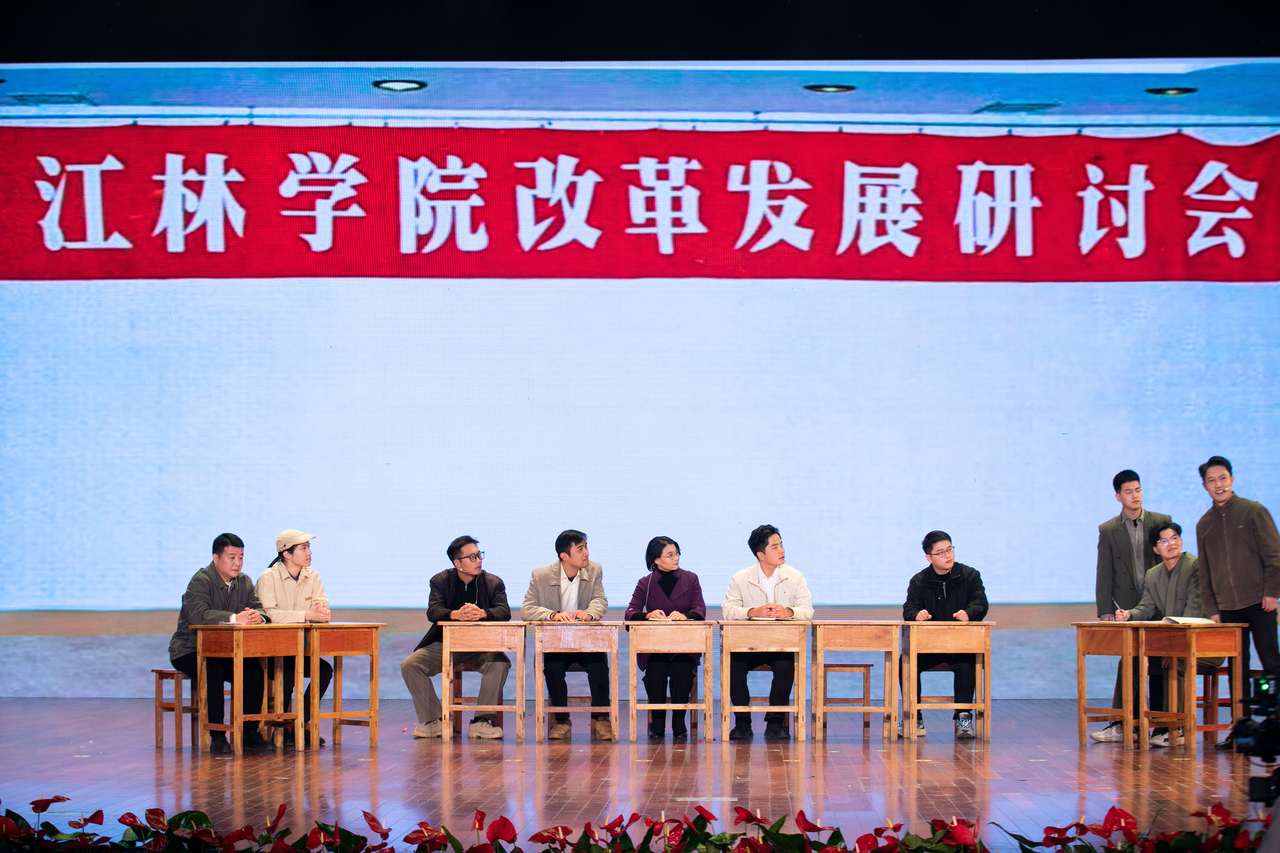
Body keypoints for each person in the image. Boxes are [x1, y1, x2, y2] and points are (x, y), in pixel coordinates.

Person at [1196, 456, 1280, 750]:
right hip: (1228, 609)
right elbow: (1205, 572)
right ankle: (1241, 731)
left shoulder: (1254, 511)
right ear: (1204, 486)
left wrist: (1272, 592)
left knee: (1271, 664)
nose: (1218, 484)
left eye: (1222, 478)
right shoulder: (1204, 524)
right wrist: (1213, 610)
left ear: (1232, 479)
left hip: (1260, 603)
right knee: (1237, 671)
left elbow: (1274, 556)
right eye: (1211, 480)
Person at [1115, 521, 1221, 747]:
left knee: (1176, 661)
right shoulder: (1154, 574)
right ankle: (1125, 725)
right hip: (1172, 645)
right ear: (1156, 549)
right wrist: (1129, 615)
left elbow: (1193, 611)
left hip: (1203, 643)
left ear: (1181, 540)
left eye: (1174, 538)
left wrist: (1173, 647)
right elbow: (1146, 608)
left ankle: (1174, 728)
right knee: (1130, 660)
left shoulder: (1196, 566)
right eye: (1164, 541)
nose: (1171, 544)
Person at [168, 533, 275, 755]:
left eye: (241, 557)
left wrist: (259, 617)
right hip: (189, 649)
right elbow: (199, 615)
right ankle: (217, 735)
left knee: (254, 670)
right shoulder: (201, 580)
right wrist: (235, 618)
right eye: (231, 557)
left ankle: (249, 732)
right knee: (213, 668)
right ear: (216, 559)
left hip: (224, 650)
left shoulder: (244, 581)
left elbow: (258, 606)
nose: (237, 563)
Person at [400, 536, 511, 739]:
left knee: (500, 663)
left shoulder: (493, 582)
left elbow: (504, 611)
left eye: (479, 555)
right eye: (472, 557)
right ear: (457, 563)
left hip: (481, 646)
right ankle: (434, 722)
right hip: (445, 644)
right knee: (411, 664)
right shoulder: (440, 581)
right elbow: (433, 611)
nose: (478, 560)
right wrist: (455, 615)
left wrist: (483, 613)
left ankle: (481, 722)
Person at [1091, 470, 1172, 744]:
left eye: (1138, 490)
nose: (1135, 496)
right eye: (1128, 492)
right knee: (1129, 661)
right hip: (1126, 608)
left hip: (1159, 605)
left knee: (1160, 662)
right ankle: (1125, 724)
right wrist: (1105, 611)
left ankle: (1162, 726)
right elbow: (1104, 572)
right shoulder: (1109, 529)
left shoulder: (1160, 522)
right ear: (1118, 496)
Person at [721, 524, 814, 741]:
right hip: (748, 645)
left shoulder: (795, 577)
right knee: (734, 665)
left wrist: (788, 611)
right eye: (775, 547)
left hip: (781, 645)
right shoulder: (740, 578)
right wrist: (752, 611)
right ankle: (742, 723)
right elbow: (728, 610)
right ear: (760, 554)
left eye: (781, 545)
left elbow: (807, 611)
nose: (782, 550)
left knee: (786, 665)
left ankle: (775, 723)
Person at [520, 529, 612, 740]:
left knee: (598, 666)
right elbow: (527, 609)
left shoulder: (594, 570)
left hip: (586, 641)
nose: (586, 553)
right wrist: (552, 615)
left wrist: (590, 613)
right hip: (557, 642)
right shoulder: (541, 575)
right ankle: (561, 721)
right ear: (564, 556)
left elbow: (600, 600)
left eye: (586, 547)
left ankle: (602, 719)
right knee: (552, 668)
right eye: (580, 549)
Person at [901, 530, 989, 740]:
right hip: (929, 646)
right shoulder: (919, 581)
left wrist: (969, 613)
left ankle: (963, 719)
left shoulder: (970, 575)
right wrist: (917, 615)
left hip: (961, 646)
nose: (947, 555)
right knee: (906, 662)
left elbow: (981, 603)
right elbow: (909, 610)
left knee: (967, 663)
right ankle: (914, 718)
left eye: (949, 549)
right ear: (929, 557)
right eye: (940, 552)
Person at [255, 529, 333, 749]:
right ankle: (281, 730)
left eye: (309, 548)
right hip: (270, 651)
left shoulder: (312, 576)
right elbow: (270, 614)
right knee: (287, 672)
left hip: (298, 650)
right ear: (286, 554)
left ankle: (299, 724)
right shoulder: (269, 578)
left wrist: (321, 613)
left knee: (324, 670)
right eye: (303, 548)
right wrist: (307, 615)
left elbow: (322, 608)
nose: (309, 553)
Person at [624, 536, 707, 740]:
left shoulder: (691, 578)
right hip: (655, 646)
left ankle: (679, 723)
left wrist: (685, 616)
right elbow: (630, 614)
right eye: (670, 555)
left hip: (684, 646)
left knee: (681, 670)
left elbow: (700, 610)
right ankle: (658, 723)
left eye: (677, 553)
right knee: (656, 670)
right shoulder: (645, 583)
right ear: (656, 559)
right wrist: (647, 615)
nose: (676, 557)